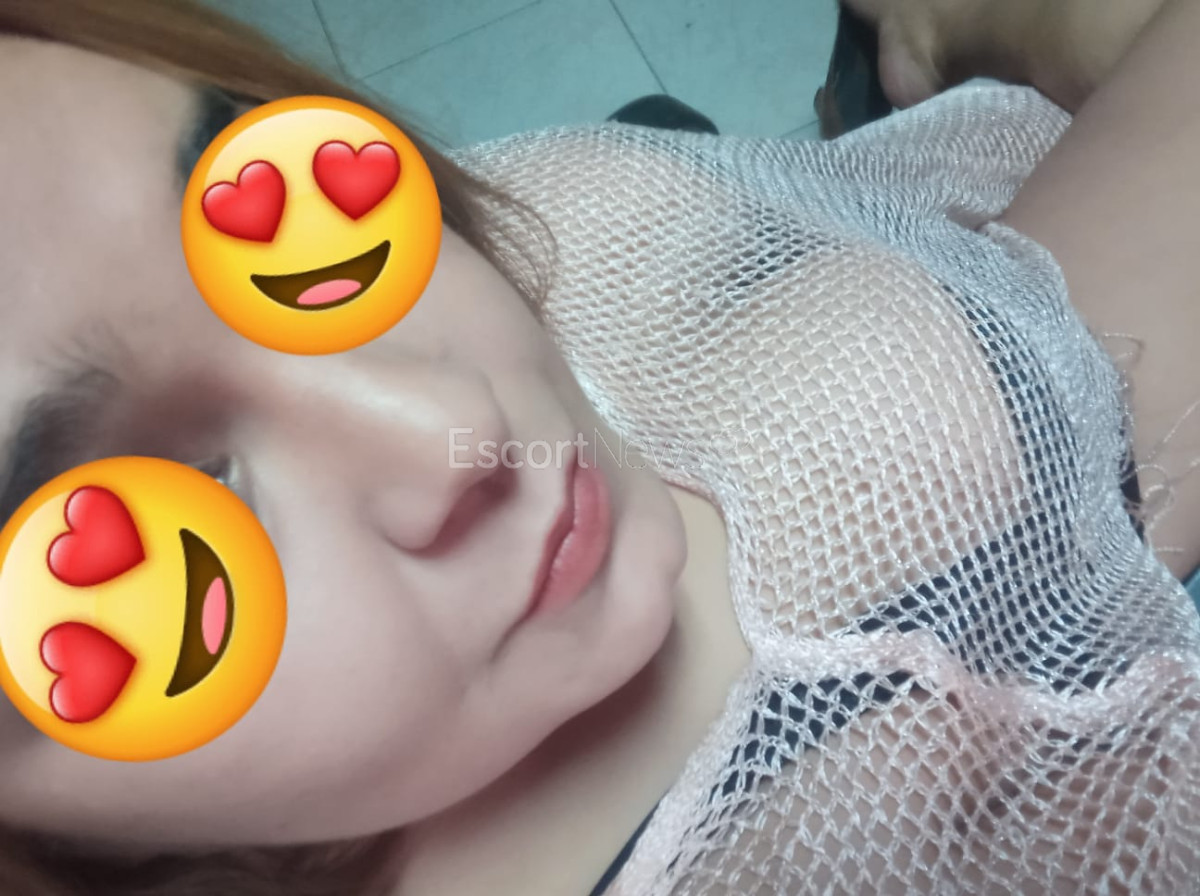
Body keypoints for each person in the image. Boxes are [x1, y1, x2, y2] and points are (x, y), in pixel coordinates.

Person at [0, 2, 1197, 895]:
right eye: (140, 558)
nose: (451, 428)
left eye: (289, 221)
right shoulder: (877, 806)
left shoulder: (535, 201)